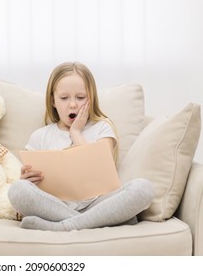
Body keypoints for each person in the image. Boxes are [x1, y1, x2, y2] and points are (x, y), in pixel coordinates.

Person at [8, 62, 154, 231]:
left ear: (91, 98)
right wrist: (27, 179)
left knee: (143, 188)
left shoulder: (103, 129)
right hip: (55, 207)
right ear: (53, 100)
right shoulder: (40, 136)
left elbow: (98, 171)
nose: (72, 104)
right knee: (17, 190)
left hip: (99, 204)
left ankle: (64, 226)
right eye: (64, 98)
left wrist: (76, 132)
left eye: (80, 97)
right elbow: (31, 186)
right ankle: (91, 222)